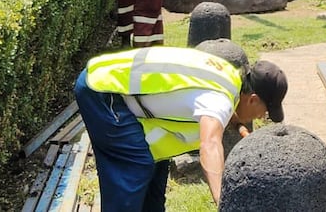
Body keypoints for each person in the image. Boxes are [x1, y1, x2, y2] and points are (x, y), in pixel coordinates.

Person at [74, 47, 288, 211]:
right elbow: (210, 146)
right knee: (134, 166)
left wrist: (233, 119)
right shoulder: (219, 102)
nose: (261, 117)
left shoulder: (229, 77)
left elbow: (203, 97)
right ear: (253, 99)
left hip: (113, 84)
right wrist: (223, 202)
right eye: (265, 111)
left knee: (155, 170)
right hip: (102, 90)